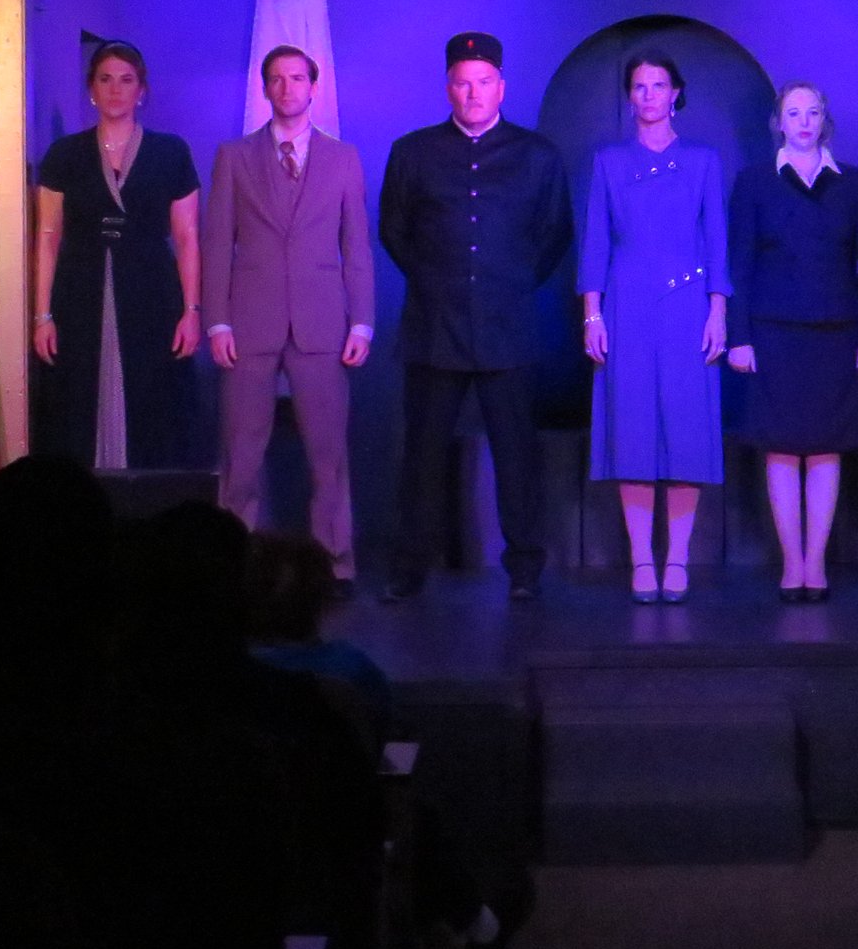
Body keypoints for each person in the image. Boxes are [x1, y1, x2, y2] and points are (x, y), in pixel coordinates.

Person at [378, 32, 575, 603]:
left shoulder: (537, 155)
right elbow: (393, 230)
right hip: (434, 326)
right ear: (448, 88)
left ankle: (525, 569)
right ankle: (409, 568)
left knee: (517, 456)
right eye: (463, 83)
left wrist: (509, 285)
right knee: (422, 456)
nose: (473, 93)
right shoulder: (412, 152)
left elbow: (555, 234)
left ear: (501, 87)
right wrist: (437, 281)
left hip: (507, 327)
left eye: (484, 82)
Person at [202, 44, 376, 588]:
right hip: (249, 321)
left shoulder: (342, 158)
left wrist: (362, 321)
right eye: (277, 79)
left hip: (322, 322)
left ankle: (335, 564)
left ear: (313, 86)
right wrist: (217, 321)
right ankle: (231, 561)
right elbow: (216, 243)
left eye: (297, 78)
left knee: (328, 454)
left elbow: (356, 246)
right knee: (241, 452)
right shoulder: (234, 156)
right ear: (265, 87)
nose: (287, 88)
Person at [726, 81, 858, 602]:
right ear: (779, 121)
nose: (803, 122)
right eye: (793, 113)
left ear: (824, 119)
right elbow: (739, 265)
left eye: (812, 112)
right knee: (780, 448)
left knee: (824, 448)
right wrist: (739, 337)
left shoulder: (854, 183)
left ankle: (815, 563)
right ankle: (790, 562)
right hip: (772, 333)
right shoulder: (754, 182)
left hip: (836, 334)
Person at [580, 50, 730, 604]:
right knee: (633, 430)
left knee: (687, 431)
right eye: (640, 86)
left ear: (676, 93)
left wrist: (718, 311)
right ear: (629, 96)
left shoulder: (703, 161)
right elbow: (596, 242)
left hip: (689, 308)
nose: (649, 95)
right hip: (626, 307)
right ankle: (642, 559)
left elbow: (716, 241)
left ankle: (678, 558)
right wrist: (592, 314)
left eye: (659, 85)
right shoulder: (609, 162)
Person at [32, 40, 202, 471]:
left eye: (126, 80)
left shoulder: (171, 152)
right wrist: (42, 315)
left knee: (153, 399)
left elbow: (187, 237)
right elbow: (48, 237)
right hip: (79, 290)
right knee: (77, 399)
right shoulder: (65, 154)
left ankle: (146, 502)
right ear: (91, 89)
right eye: (105, 79)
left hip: (151, 291)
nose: (115, 90)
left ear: (141, 90)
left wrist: (191, 311)